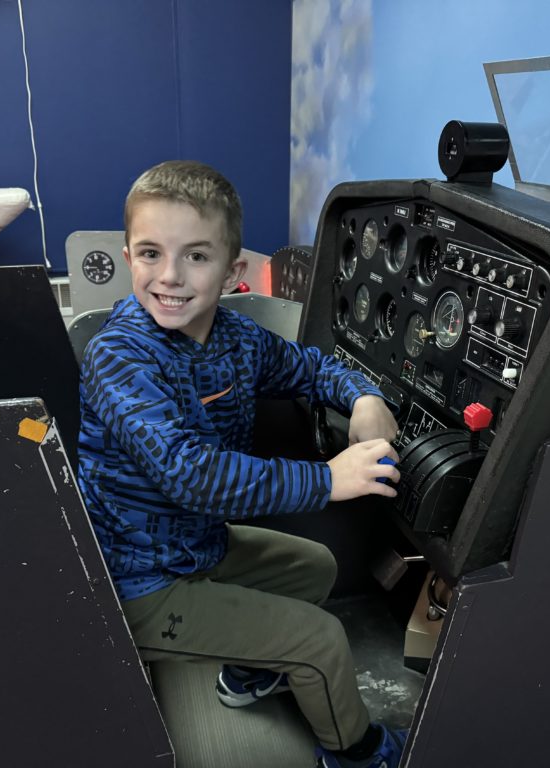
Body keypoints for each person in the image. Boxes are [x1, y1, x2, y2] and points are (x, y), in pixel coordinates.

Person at [77, 160, 406, 768]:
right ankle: (359, 753)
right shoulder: (118, 356)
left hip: (195, 546)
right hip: (137, 581)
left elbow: (310, 367)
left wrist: (364, 397)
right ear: (129, 257)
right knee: (321, 640)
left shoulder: (238, 340)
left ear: (232, 273)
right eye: (151, 253)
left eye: (196, 257)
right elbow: (192, 474)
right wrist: (330, 479)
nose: (169, 277)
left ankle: (245, 673)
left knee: (314, 567)